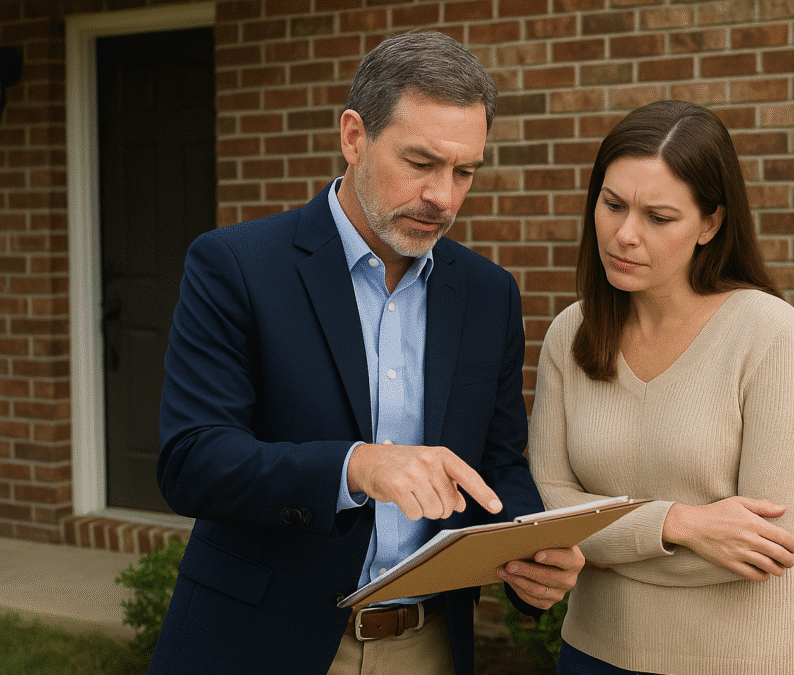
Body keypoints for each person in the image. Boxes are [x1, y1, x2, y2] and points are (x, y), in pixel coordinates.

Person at [150, 31, 584, 675]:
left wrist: (531, 553)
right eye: (421, 162)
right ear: (354, 137)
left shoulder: (489, 293)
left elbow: (496, 464)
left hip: (427, 646)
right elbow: (193, 461)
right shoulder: (235, 265)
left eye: (464, 172)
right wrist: (357, 466)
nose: (443, 196)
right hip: (261, 643)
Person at [528, 100, 794, 675]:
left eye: (659, 218)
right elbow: (551, 508)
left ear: (710, 224)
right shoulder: (570, 333)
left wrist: (598, 542)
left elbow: (767, 544)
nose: (625, 235)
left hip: (741, 660)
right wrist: (679, 525)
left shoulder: (770, 332)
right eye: (612, 205)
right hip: (592, 653)